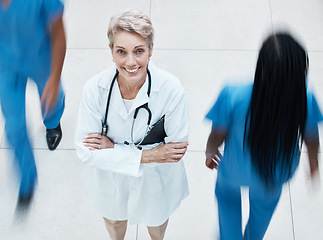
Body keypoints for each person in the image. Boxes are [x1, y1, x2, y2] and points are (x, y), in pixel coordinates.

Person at [75, 9, 189, 240]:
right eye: (121, 52)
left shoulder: (171, 89)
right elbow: (86, 152)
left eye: (139, 51)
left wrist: (112, 150)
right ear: (111, 52)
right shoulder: (94, 89)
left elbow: (174, 151)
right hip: (111, 183)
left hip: (155, 183)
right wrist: (149, 155)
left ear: (150, 50)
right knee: (115, 223)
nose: (130, 62)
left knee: (156, 227)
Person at [205, 32, 322, 239]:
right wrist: (313, 163)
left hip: (235, 169)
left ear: (261, 65)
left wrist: (210, 151)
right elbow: (311, 137)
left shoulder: (233, 93)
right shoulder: (306, 97)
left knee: (227, 200)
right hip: (275, 172)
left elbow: (218, 133)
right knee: (263, 210)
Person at [0, 0, 66, 206]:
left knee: (50, 103)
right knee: (13, 128)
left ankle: (53, 124)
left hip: (40, 59)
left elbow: (58, 34)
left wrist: (54, 79)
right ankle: (27, 179)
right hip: (6, 66)